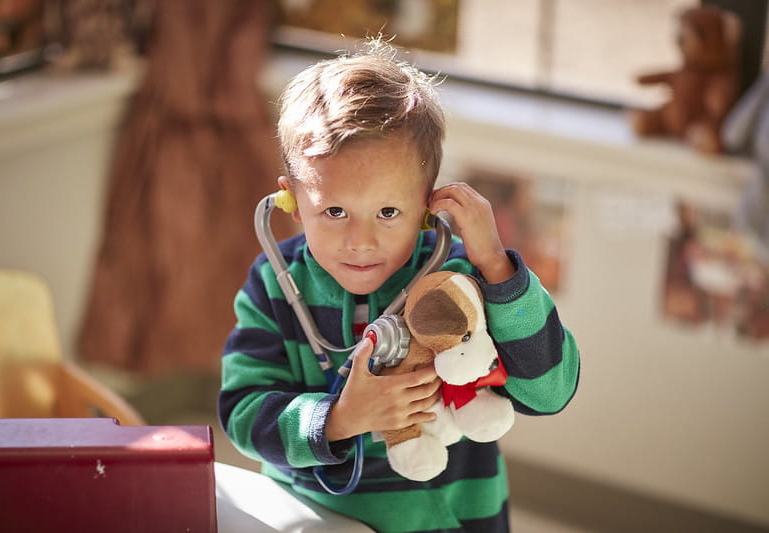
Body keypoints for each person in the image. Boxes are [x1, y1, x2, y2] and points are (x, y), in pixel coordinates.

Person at [218, 39, 580, 533]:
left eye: (389, 212)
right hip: (315, 519)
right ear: (292, 201)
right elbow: (243, 412)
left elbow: (550, 392)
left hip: (452, 521)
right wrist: (339, 417)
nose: (361, 241)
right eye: (334, 211)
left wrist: (496, 265)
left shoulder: (461, 279)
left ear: (427, 205)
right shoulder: (274, 284)